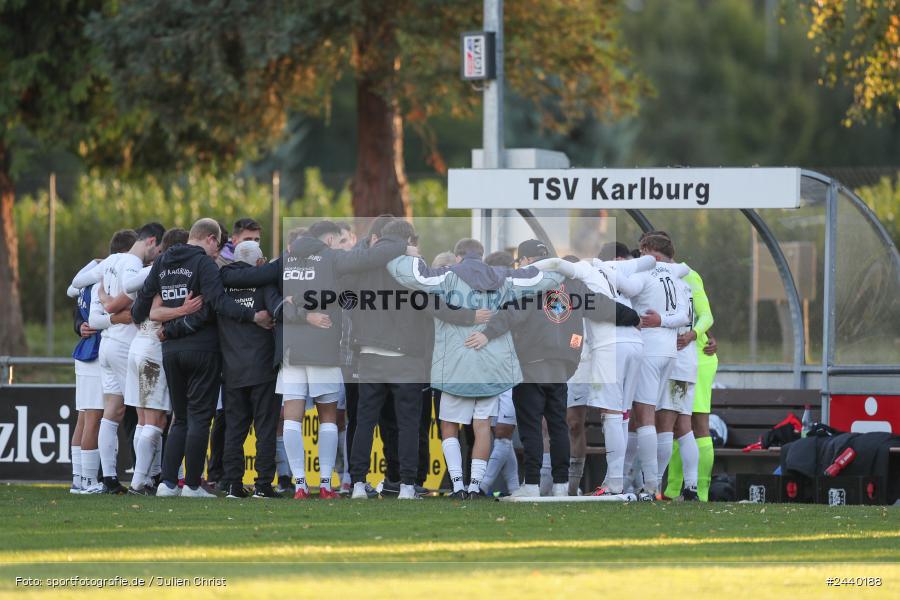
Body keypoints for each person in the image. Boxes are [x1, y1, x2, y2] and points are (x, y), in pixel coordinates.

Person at [389, 238, 565, 498]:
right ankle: (475, 487)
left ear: (458, 257)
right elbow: (547, 278)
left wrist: (403, 251)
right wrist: (566, 265)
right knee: (482, 427)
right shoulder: (503, 277)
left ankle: (458, 485)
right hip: (490, 366)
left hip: (454, 367)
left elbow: (404, 273)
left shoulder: (446, 276)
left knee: (449, 426)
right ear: (481, 257)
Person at [253, 220, 409, 500]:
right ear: (328, 240)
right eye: (337, 241)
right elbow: (369, 257)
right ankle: (325, 484)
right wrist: (399, 242)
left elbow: (269, 295)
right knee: (328, 417)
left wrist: (296, 310)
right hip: (323, 348)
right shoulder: (331, 258)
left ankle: (300, 484)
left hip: (291, 351)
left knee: (291, 418)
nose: (339, 246)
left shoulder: (285, 261)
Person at [131, 218, 273, 498]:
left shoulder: (162, 263)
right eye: (217, 245)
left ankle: (168, 483)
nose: (218, 252)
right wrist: (252, 315)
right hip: (203, 349)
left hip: (170, 350)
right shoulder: (204, 264)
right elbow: (217, 303)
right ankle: (193, 485)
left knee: (180, 419)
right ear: (209, 239)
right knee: (199, 418)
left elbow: (140, 309)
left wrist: (168, 321)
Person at [484, 244, 635, 498]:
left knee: (531, 425)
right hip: (562, 365)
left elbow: (511, 315)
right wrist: (635, 317)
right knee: (558, 426)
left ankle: (531, 485)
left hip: (531, 363)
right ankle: (561, 485)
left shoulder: (528, 281)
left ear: (528, 259)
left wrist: (484, 334)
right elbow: (602, 305)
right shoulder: (573, 284)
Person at [74, 223, 165, 494]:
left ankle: (103, 479)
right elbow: (136, 306)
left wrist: (103, 296)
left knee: (112, 413)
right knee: (146, 413)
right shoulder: (134, 266)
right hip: (128, 344)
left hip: (107, 346)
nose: (158, 255)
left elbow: (77, 285)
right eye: (158, 249)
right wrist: (116, 307)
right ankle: (149, 475)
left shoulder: (110, 261)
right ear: (151, 241)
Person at [122, 228, 197, 495]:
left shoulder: (152, 271)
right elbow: (155, 311)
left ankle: (151, 477)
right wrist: (184, 310)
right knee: (154, 421)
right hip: (152, 350)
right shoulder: (165, 271)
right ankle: (138, 482)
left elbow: (134, 301)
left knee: (145, 420)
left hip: (137, 346)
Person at [617, 234, 690, 500]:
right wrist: (664, 320)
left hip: (648, 350)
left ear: (652, 253)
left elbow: (626, 287)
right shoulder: (676, 276)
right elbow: (685, 315)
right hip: (669, 353)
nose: (639, 256)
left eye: (643, 251)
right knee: (652, 419)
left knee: (645, 417)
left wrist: (603, 269)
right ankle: (649, 483)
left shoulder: (647, 272)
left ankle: (650, 487)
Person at [66, 230, 139, 494]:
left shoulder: (88, 279)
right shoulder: (106, 279)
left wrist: (80, 324)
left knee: (85, 417)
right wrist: (116, 319)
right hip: (95, 350)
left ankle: (78, 479)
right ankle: (88, 481)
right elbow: (95, 318)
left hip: (85, 351)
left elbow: (71, 292)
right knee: (93, 417)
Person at [217, 240, 283, 499]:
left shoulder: (222, 286)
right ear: (259, 263)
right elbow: (278, 310)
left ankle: (233, 484)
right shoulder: (264, 284)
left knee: (235, 429)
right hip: (263, 367)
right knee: (265, 429)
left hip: (232, 368)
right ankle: (263, 485)